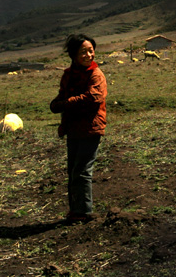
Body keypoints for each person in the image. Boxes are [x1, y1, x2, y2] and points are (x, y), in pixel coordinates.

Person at [50, 33, 107, 224]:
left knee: (82, 170)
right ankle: (75, 209)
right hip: (73, 127)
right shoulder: (68, 75)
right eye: (84, 52)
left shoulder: (96, 75)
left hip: (91, 128)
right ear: (74, 54)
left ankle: (83, 211)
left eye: (91, 51)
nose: (89, 55)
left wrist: (66, 103)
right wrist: (57, 102)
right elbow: (63, 94)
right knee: (72, 169)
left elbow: (94, 98)